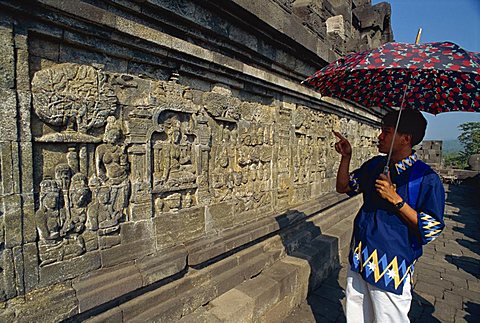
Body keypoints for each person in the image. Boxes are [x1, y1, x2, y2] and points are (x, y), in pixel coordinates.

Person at [333, 109, 445, 322]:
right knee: (356, 314)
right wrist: (346, 158)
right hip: (361, 254)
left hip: (390, 263)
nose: (380, 137)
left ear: (406, 138)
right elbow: (344, 187)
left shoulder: (426, 178)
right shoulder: (376, 165)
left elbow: (431, 228)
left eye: (386, 132)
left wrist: (396, 199)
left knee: (389, 317)